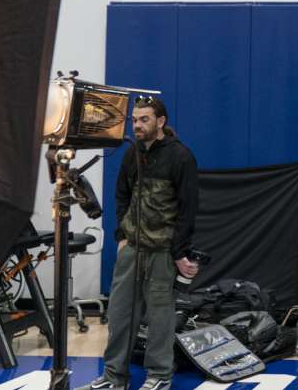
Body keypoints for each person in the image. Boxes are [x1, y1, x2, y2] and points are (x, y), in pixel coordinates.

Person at [80, 97, 199, 390]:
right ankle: (113, 377)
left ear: (161, 122)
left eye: (144, 119)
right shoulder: (131, 155)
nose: (137, 125)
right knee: (120, 313)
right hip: (131, 249)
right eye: (134, 120)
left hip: (162, 252)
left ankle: (159, 376)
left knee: (160, 317)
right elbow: (122, 195)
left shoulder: (181, 156)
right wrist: (121, 235)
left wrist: (178, 251)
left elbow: (188, 209)